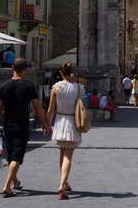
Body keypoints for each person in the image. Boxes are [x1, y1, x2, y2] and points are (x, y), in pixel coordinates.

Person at [0, 58, 51, 198]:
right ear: (24, 70)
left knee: (11, 154)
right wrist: (44, 123)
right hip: (22, 125)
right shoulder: (28, 86)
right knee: (17, 157)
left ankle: (15, 181)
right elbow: (37, 108)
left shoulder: (3, 86)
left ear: (12, 68)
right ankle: (7, 186)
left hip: (7, 125)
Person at [47, 61, 83, 200]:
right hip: (72, 122)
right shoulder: (79, 88)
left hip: (60, 121)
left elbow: (50, 109)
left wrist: (48, 124)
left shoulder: (56, 87)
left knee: (62, 153)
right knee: (68, 156)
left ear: (61, 72)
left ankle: (64, 182)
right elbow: (81, 107)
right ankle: (62, 184)